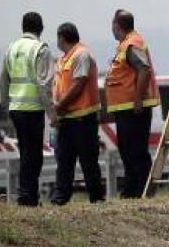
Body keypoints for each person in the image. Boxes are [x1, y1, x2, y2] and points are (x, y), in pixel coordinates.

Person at [0, 11, 54, 206]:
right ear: (41, 29)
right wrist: (52, 113)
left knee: (25, 152)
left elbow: (2, 79)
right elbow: (44, 84)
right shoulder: (41, 49)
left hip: (16, 108)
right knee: (34, 155)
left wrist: (7, 105)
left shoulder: (12, 48)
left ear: (23, 27)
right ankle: (29, 197)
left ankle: (26, 195)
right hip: (33, 108)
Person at [104, 9, 158, 198]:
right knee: (127, 150)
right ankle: (132, 190)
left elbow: (143, 70)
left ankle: (142, 190)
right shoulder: (125, 44)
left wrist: (137, 100)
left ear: (117, 26)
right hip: (124, 108)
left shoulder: (133, 43)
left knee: (136, 151)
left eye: (112, 24)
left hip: (133, 108)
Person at [50, 22, 105, 205]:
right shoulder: (63, 59)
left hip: (83, 119)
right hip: (67, 119)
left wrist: (58, 107)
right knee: (64, 162)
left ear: (61, 38)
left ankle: (96, 198)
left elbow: (79, 83)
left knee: (88, 161)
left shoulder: (81, 54)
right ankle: (60, 198)